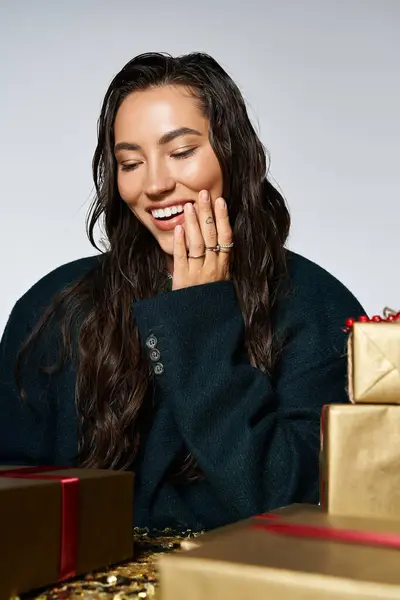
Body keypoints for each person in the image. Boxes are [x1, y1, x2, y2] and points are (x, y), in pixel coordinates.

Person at [0, 52, 364, 531]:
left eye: (181, 152)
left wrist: (198, 321)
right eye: (130, 162)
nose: (154, 184)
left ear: (234, 154)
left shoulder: (318, 307)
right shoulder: (54, 306)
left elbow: (297, 509)